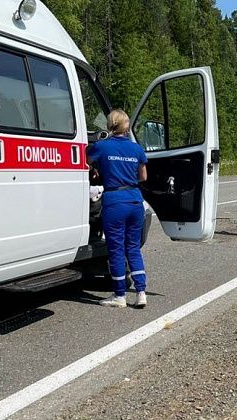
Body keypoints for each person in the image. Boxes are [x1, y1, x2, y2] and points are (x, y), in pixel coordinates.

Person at [87, 109, 149, 308]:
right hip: (134, 200)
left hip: (114, 201)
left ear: (110, 125)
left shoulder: (101, 147)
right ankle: (141, 293)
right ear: (127, 126)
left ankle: (119, 295)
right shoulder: (136, 149)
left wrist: (102, 170)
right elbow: (143, 177)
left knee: (115, 249)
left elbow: (85, 162)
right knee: (133, 248)